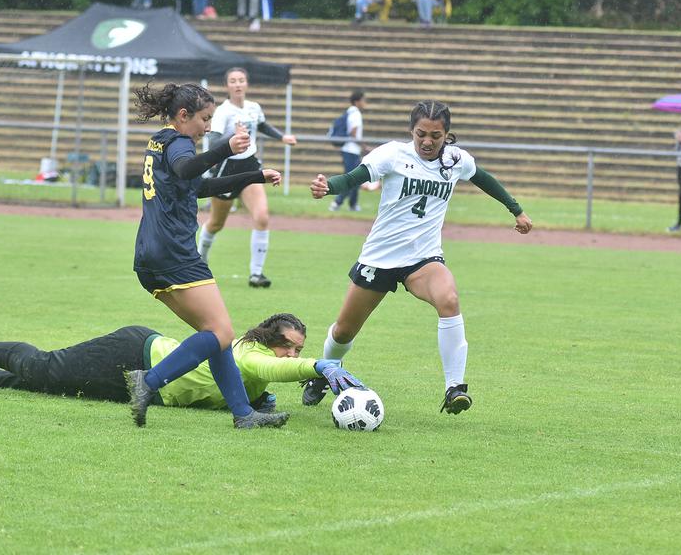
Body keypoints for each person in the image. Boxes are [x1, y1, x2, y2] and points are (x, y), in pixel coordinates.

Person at [306, 99, 532, 414]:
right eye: (420, 134)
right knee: (344, 330)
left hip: (423, 259)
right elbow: (355, 177)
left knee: (449, 300)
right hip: (380, 258)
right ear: (411, 131)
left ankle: (455, 387)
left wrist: (516, 210)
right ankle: (325, 371)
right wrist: (328, 187)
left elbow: (484, 178)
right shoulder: (392, 154)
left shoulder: (456, 160)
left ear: (447, 134)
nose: (427, 141)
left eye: (435, 136)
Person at [130, 81, 288, 429]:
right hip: (175, 252)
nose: (209, 127)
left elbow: (197, 186)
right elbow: (189, 170)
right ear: (183, 116)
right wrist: (226, 149)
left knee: (213, 333)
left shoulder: (160, 140)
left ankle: (244, 414)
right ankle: (150, 382)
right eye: (205, 118)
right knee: (220, 332)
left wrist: (254, 176)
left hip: (149, 255)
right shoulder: (180, 143)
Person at [0, 314, 364, 414]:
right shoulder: (250, 352)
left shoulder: (252, 381)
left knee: (60, 388)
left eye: (298, 349)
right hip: (135, 354)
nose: (293, 354)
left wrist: (264, 402)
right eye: (291, 347)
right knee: (44, 368)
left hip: (145, 387)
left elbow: (261, 387)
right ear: (271, 340)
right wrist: (319, 366)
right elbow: (272, 370)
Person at [197, 67, 297, 288]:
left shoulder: (254, 107)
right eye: (233, 81)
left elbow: (261, 125)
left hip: (249, 165)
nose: (238, 84)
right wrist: (232, 135)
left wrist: (282, 137)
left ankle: (256, 274)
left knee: (261, 216)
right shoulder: (223, 111)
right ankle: (199, 259)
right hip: (226, 168)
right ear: (227, 86)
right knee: (216, 223)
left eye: (241, 80)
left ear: (247, 84)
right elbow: (212, 143)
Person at [329, 90, 368, 212]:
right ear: (357, 101)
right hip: (351, 151)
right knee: (352, 179)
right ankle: (337, 202)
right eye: (363, 100)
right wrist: (364, 146)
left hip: (349, 150)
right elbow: (353, 133)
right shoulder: (356, 114)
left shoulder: (349, 112)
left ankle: (353, 204)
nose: (365, 102)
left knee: (356, 178)